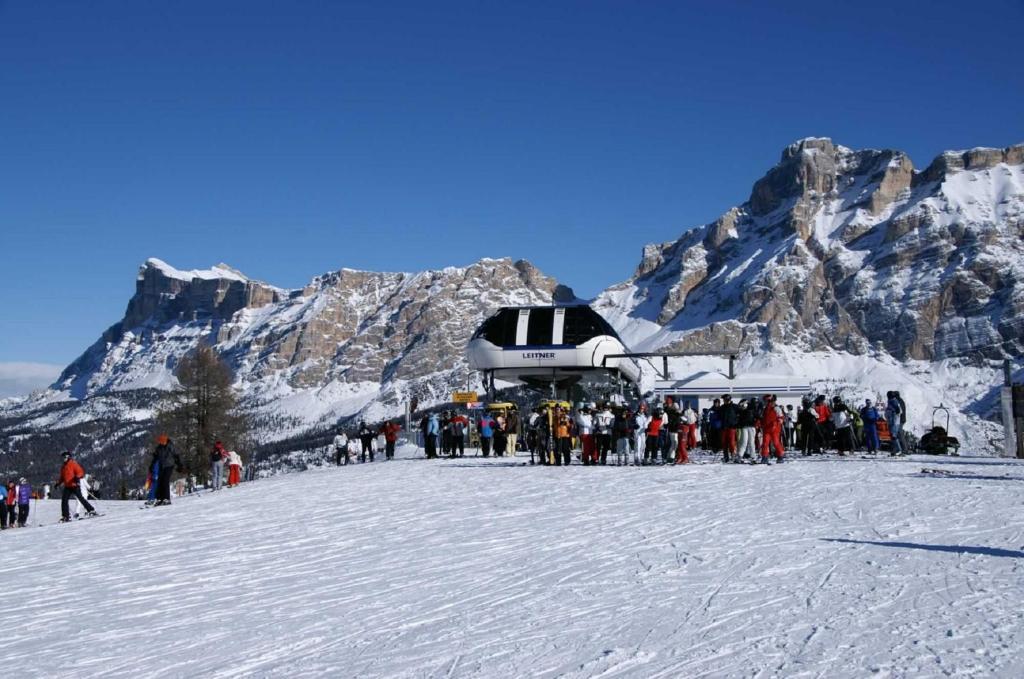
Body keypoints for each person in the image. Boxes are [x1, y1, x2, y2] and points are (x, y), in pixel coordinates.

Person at [56, 451, 97, 522]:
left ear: (68, 457)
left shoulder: (73, 464)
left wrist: (77, 477)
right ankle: (66, 516)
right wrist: (58, 483)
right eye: (62, 458)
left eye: (64, 457)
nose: (63, 459)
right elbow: (62, 477)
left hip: (74, 485)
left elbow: (80, 472)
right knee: (64, 500)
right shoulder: (63, 467)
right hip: (68, 486)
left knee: (81, 498)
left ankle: (91, 510)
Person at [150, 435, 182, 506]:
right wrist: (151, 466)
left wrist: (179, 465)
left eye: (162, 442)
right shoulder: (159, 448)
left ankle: (167, 499)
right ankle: (160, 499)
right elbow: (155, 457)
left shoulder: (170, 446)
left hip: (169, 465)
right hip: (162, 466)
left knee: (165, 481)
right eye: (160, 442)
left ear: (165, 441)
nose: (161, 443)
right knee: (160, 481)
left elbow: (176, 455)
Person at [759, 395, 785, 463]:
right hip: (766, 429)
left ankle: (780, 456)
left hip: (774, 429)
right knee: (765, 443)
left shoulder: (776, 408)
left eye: (767, 401)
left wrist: (778, 422)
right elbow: (763, 419)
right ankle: (764, 457)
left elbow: (781, 417)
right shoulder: (765, 409)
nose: (766, 402)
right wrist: (760, 425)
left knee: (776, 443)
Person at [719, 395, 739, 463]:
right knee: (724, 443)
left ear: (728, 400)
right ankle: (726, 457)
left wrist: (736, 422)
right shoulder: (722, 407)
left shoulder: (734, 406)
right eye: (723, 400)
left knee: (732, 442)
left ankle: (733, 455)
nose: (724, 401)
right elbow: (719, 416)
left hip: (732, 427)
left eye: (725, 400)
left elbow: (740, 414)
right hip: (724, 428)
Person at [886, 391, 904, 456]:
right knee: (892, 436)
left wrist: (894, 414)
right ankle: (895, 449)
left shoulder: (893, 401)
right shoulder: (891, 401)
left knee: (894, 436)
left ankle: (899, 450)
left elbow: (899, 411)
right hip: (891, 421)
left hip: (894, 422)